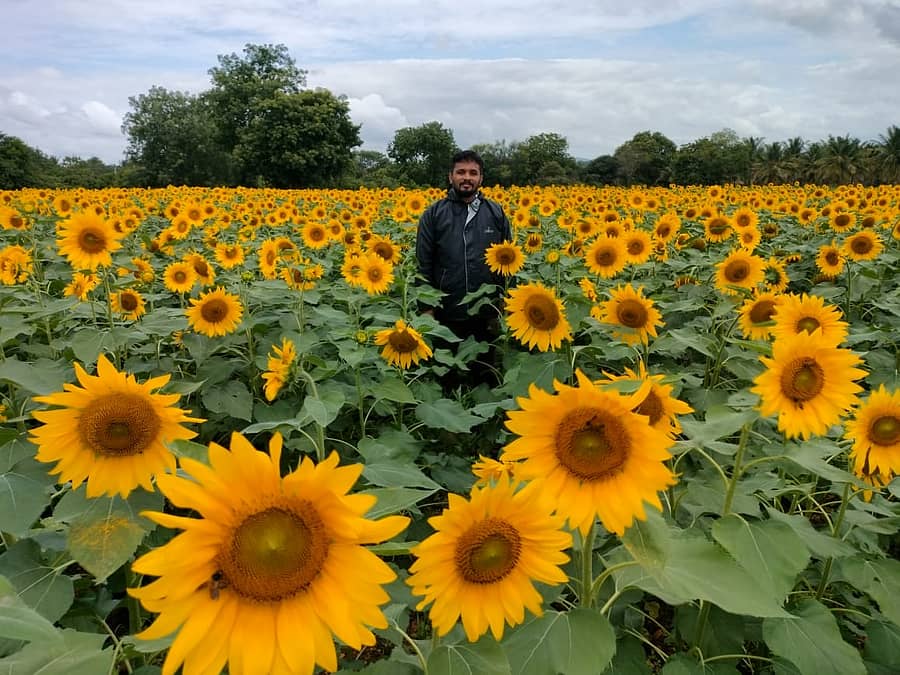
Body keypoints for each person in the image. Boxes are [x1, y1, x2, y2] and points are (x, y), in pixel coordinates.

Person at [415, 149, 513, 345]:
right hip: (446, 309)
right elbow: (423, 264)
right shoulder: (434, 214)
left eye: (473, 173)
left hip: (487, 311)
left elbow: (509, 261)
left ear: (481, 178)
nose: (467, 177)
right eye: (461, 172)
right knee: (447, 371)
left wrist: (505, 302)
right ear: (451, 177)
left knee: (484, 370)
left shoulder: (495, 213)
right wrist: (426, 308)